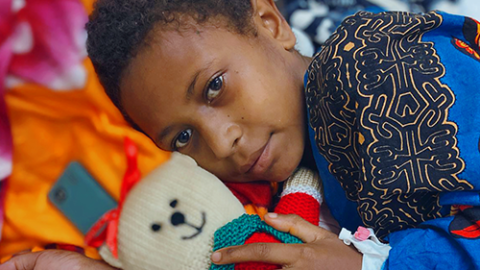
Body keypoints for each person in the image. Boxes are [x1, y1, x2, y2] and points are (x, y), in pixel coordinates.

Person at [2, 0, 479, 269]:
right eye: (182, 138)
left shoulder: (365, 65)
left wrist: (365, 267)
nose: (220, 141)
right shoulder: (271, 189)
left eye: (214, 88)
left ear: (271, 24)